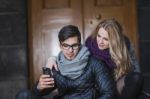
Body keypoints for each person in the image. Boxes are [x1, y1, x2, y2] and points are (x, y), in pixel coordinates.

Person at [46, 18, 146, 99]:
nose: (100, 41)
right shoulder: (89, 44)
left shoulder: (125, 46)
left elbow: (135, 71)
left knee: (137, 78)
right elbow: (71, 53)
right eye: (99, 36)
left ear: (114, 40)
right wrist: (52, 58)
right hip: (96, 87)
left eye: (106, 39)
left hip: (115, 84)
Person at [16, 25, 116, 99]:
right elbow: (38, 93)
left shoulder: (95, 64)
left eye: (74, 45)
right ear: (60, 45)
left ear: (80, 44)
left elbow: (108, 93)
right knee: (23, 95)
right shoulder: (55, 65)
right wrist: (38, 88)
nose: (70, 50)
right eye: (66, 45)